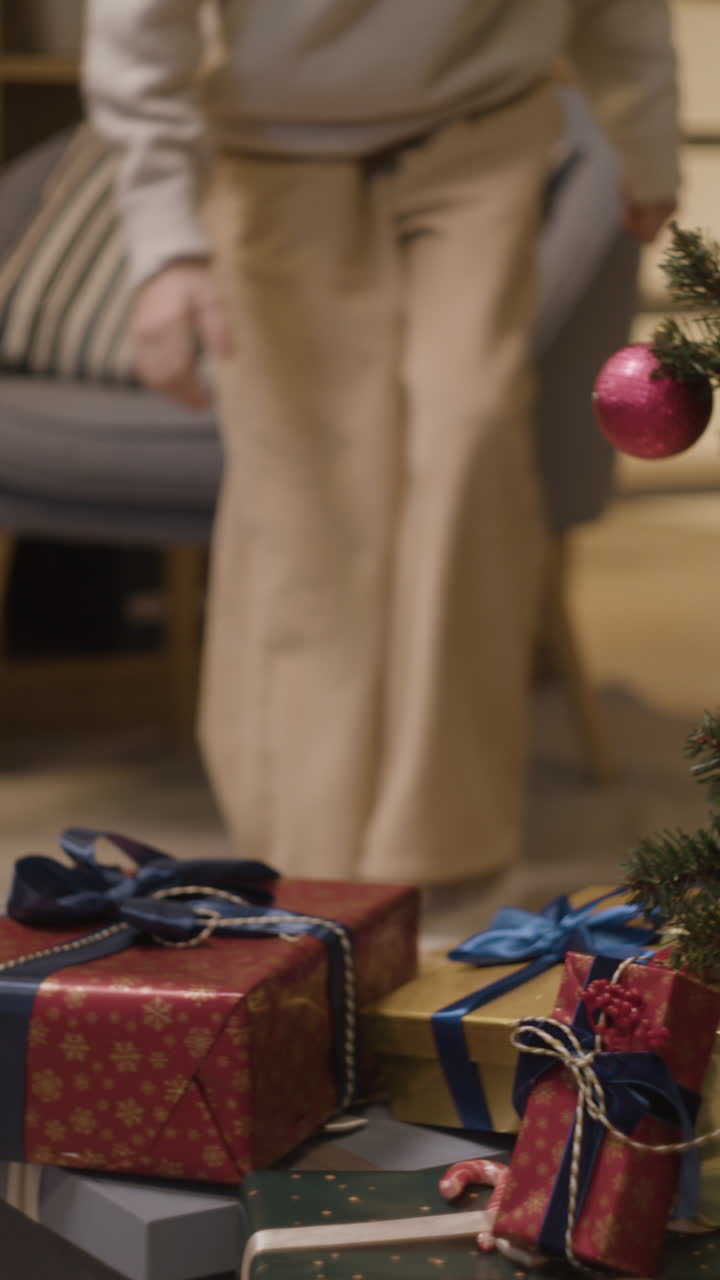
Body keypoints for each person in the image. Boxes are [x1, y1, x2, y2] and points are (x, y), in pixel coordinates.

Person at [83, 2, 678, 884]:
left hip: (484, 127)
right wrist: (167, 245)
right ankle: (308, 859)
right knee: (312, 494)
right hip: (271, 154)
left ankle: (441, 856)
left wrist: (645, 132)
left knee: (469, 450)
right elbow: (141, 22)